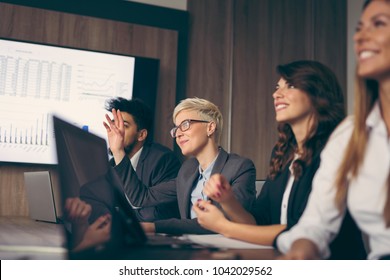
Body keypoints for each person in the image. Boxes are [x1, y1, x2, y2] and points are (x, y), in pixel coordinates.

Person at [193, 60, 365, 259]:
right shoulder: (282, 154)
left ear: (319, 95)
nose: (276, 94)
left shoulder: (335, 150)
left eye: (290, 86)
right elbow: (258, 221)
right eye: (277, 87)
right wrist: (227, 199)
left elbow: (299, 231)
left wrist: (223, 226)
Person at [276, 0, 390, 260]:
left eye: (379, 24)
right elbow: (315, 223)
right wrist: (301, 251)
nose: (360, 36)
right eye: (359, 28)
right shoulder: (349, 134)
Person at [105, 97, 256, 234]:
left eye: (185, 125)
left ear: (210, 127)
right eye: (176, 128)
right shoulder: (187, 170)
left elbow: (224, 223)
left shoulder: (240, 167)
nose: (178, 133)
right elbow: (142, 199)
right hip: (190, 246)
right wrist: (118, 151)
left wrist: (154, 227)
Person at [81, 97, 182, 223]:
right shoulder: (112, 164)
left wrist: (117, 215)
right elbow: (91, 201)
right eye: (114, 125)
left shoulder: (162, 159)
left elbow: (158, 215)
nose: (117, 131)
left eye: (124, 125)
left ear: (141, 135)